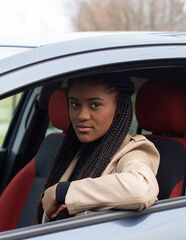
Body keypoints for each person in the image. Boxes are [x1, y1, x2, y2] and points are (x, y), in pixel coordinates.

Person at [35, 73, 160, 223]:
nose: (82, 115)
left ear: (118, 107)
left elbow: (141, 189)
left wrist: (63, 192)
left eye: (95, 105)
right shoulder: (71, 151)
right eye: (75, 104)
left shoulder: (133, 150)